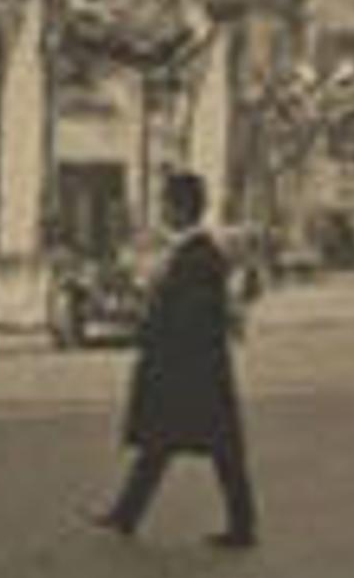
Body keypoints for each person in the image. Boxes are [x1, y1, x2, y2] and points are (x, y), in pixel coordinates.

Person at [92, 170, 256, 547]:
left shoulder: (198, 255)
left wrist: (154, 333)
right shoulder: (193, 251)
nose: (163, 210)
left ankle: (242, 525)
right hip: (196, 367)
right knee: (170, 444)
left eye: (167, 203)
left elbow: (190, 316)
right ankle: (127, 514)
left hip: (191, 368)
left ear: (181, 208)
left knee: (206, 447)